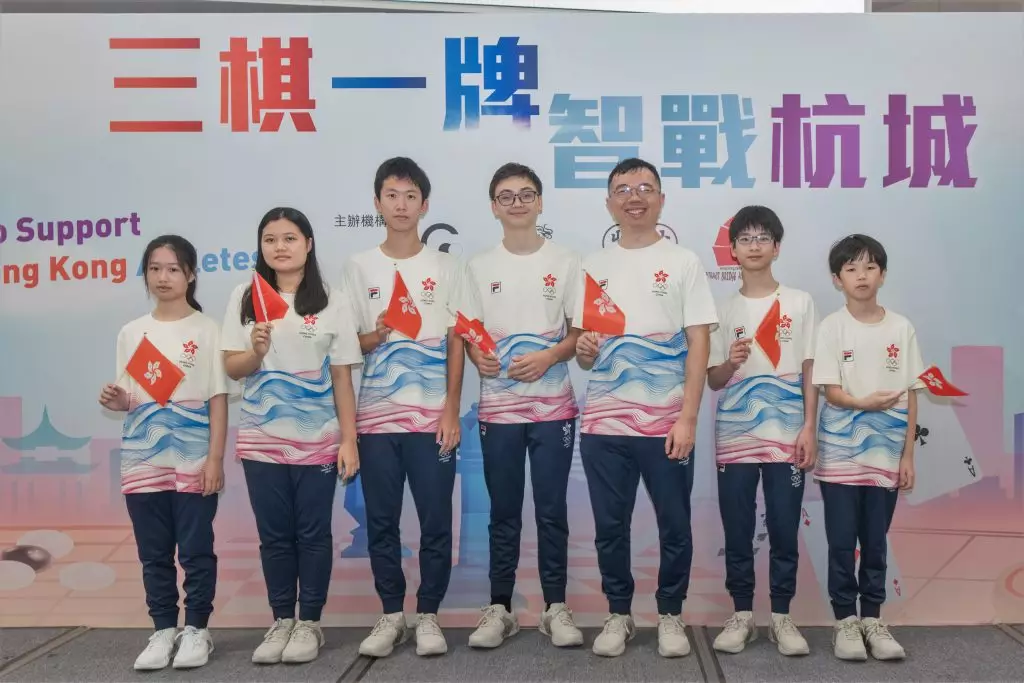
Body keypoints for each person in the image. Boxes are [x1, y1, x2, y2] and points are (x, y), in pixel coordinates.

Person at [573, 158, 718, 658]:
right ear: (609, 202)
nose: (634, 197)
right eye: (623, 189)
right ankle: (619, 614)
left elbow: (699, 343)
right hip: (604, 423)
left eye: (644, 188)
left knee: (674, 524)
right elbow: (586, 350)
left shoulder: (683, 262)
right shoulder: (592, 265)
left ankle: (671, 614)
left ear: (660, 199)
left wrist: (688, 417)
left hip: (666, 423)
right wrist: (585, 350)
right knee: (610, 527)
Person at [343, 157, 480, 658]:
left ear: (424, 205)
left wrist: (451, 409)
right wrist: (376, 334)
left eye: (410, 196)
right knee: (381, 521)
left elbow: (457, 341)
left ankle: (428, 615)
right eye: (391, 195)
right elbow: (347, 345)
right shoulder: (358, 267)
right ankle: (390, 615)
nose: (401, 205)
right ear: (377, 203)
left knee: (435, 521)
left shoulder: (448, 268)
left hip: (431, 421)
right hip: (377, 421)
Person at [221, 207, 362, 665]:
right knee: (275, 536)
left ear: (308, 244)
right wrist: (256, 351)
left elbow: (342, 377)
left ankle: (310, 623)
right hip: (261, 440)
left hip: (318, 440)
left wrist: (348, 439)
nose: (279, 247)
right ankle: (282, 618)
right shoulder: (245, 297)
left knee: (313, 533)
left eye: (289, 238)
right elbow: (232, 368)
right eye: (270, 239)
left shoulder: (332, 300)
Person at [464, 162, 584, 650]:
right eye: (507, 196)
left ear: (540, 202)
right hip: (499, 410)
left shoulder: (567, 261)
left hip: (553, 408)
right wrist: (476, 355)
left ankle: (556, 607)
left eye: (526, 194)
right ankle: (500, 607)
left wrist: (550, 356)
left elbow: (579, 333)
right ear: (494, 207)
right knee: (503, 511)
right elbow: (469, 332)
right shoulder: (477, 266)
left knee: (552, 510)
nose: (517, 203)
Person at [99, 235, 227, 671]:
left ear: (190, 274)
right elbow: (132, 396)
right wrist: (118, 399)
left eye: (173, 268)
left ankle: (197, 629)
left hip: (193, 459)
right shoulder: (131, 332)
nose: (163, 277)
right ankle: (163, 630)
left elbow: (217, 399)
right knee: (153, 553)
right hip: (143, 458)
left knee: (195, 550)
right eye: (154, 268)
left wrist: (214, 459)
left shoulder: (208, 330)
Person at [706, 206, 817, 657]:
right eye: (745, 239)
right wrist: (730, 362)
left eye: (762, 238)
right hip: (735, 435)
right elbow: (713, 380)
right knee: (737, 528)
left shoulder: (800, 302)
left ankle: (782, 616)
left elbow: (810, 369)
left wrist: (809, 426)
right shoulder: (721, 308)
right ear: (732, 250)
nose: (754, 246)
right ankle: (741, 615)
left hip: (787, 433)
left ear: (777, 247)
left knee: (785, 527)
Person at [812, 234, 923, 662]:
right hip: (841, 453)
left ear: (883, 274)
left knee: (875, 542)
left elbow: (911, 393)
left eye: (870, 267)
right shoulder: (831, 327)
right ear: (837, 279)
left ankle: (873, 619)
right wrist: (863, 403)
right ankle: (845, 621)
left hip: (886, 455)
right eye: (852, 268)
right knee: (842, 542)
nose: (862, 276)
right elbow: (831, 391)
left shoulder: (901, 328)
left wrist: (907, 454)